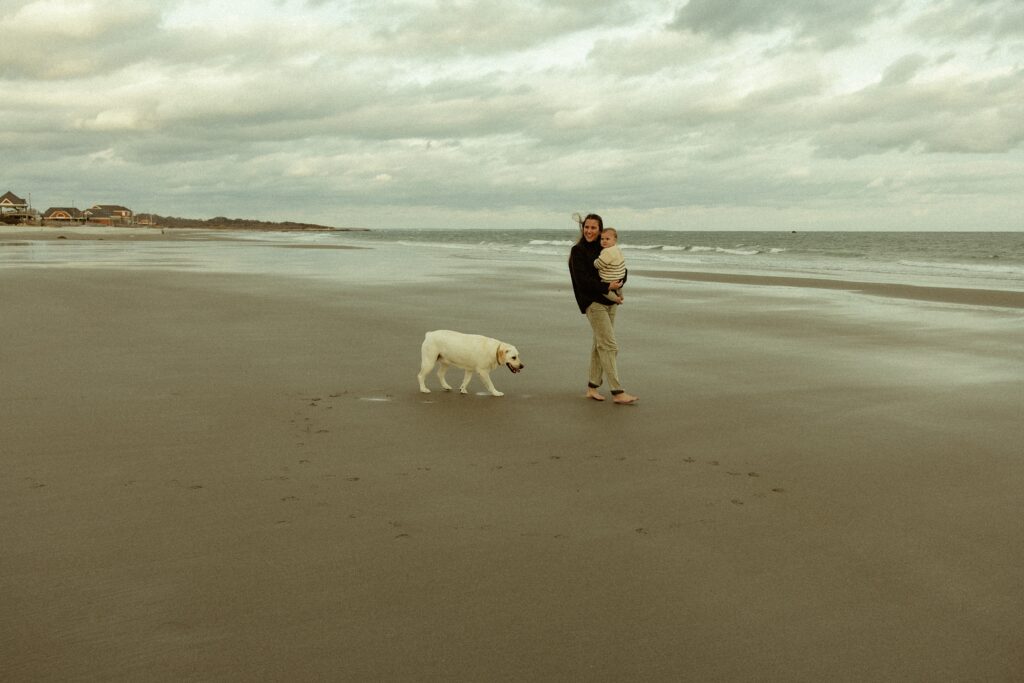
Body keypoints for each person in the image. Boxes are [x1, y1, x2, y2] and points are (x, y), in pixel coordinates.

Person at [568, 213, 639, 405]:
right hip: (593, 303)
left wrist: (620, 282)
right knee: (609, 346)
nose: (589, 231)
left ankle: (592, 387)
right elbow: (582, 281)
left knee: (599, 344)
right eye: (587, 227)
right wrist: (607, 286)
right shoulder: (578, 251)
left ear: (600, 230)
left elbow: (621, 267)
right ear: (583, 228)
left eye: (593, 228)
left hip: (610, 303)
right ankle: (617, 392)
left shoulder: (606, 247)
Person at [594, 227, 626, 304]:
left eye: (607, 239)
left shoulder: (607, 252)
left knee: (604, 290)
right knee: (618, 287)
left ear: (614, 240)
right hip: (620, 276)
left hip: (609, 279)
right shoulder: (617, 249)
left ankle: (616, 299)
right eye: (602, 239)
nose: (604, 241)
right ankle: (620, 295)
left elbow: (599, 265)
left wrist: (595, 262)